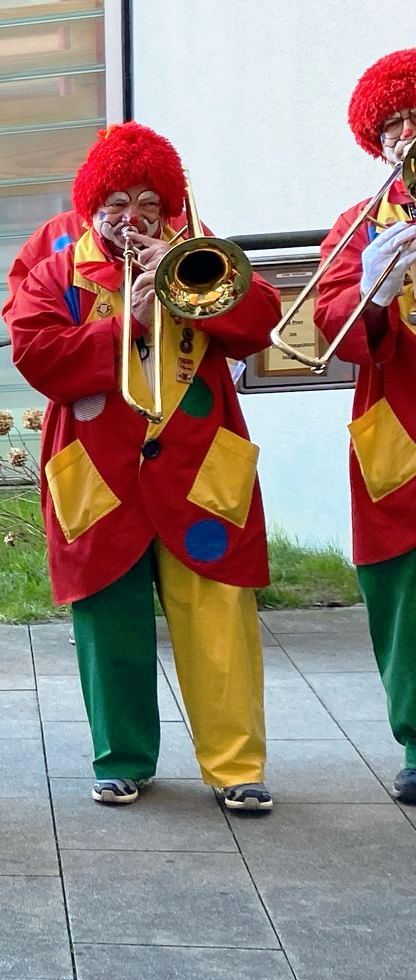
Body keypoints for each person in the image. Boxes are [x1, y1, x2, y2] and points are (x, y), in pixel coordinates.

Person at [6, 122, 280, 812]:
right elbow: (36, 355)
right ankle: (122, 758)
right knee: (110, 622)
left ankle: (236, 767)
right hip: (99, 472)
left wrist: (187, 279)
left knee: (219, 619)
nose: (134, 217)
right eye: (118, 204)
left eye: (149, 204)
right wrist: (125, 321)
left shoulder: (198, 251)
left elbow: (260, 322)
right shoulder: (56, 269)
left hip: (199, 467)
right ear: (93, 207)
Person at [315, 48, 416, 806]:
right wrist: (373, 293)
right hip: (401, 427)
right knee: (403, 593)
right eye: (393, 126)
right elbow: (328, 324)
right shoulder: (359, 224)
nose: (407, 135)